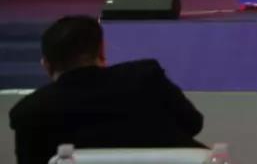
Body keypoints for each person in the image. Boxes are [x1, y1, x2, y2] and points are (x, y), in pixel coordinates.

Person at [8, 16, 204, 164]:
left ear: (46, 65)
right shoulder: (145, 77)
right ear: (102, 53)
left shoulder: (29, 112)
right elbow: (193, 123)